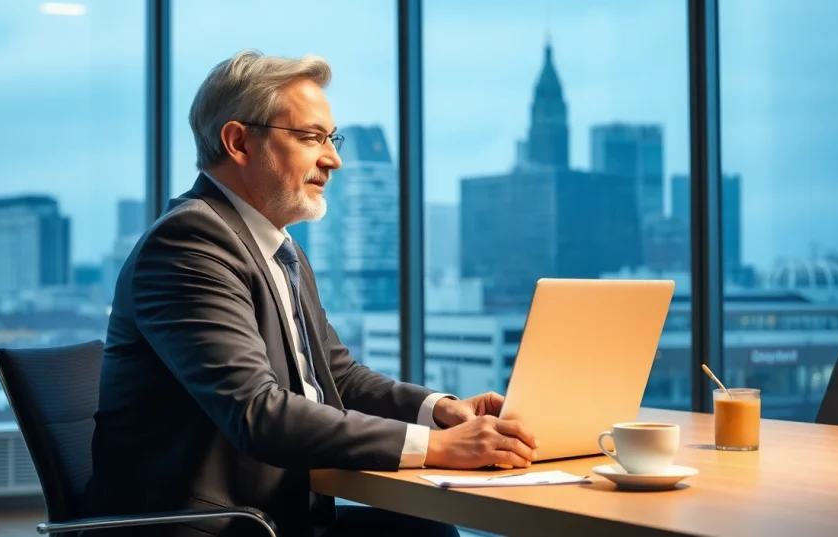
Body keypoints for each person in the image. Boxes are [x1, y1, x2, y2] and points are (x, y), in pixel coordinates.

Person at [84, 50, 538, 537]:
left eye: (331, 138)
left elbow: (338, 376)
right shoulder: (189, 242)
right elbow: (256, 412)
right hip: (209, 524)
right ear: (238, 142)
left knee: (424, 529)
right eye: (310, 137)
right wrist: (436, 447)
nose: (333, 159)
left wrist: (439, 410)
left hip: (276, 512)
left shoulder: (278, 247)